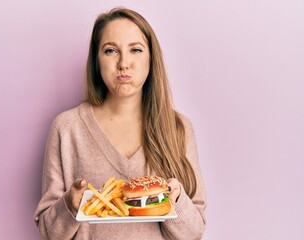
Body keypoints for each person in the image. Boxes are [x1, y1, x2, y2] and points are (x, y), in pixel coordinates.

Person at [34, 7, 206, 240]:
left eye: (135, 49)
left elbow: (194, 233)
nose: (124, 63)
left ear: (151, 58)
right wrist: (69, 205)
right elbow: (48, 231)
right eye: (111, 50)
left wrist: (176, 200)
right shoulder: (67, 128)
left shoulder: (178, 128)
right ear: (97, 60)